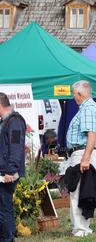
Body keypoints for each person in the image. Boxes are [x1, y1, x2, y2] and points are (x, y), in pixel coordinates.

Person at [66, 80, 96, 237]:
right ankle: (82, 227)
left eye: (74, 94)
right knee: (83, 190)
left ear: (80, 94)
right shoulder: (90, 107)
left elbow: (91, 135)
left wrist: (85, 158)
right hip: (83, 153)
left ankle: (81, 229)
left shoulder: (88, 108)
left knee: (78, 190)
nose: (74, 98)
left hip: (83, 153)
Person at [0, 92, 26, 242]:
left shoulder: (14, 122)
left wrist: (10, 170)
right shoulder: (5, 121)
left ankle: (7, 238)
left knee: (4, 209)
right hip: (3, 172)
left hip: (8, 174)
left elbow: (16, 146)